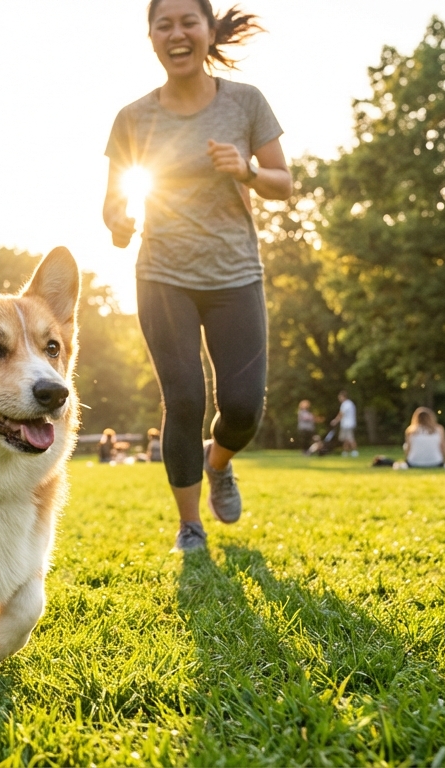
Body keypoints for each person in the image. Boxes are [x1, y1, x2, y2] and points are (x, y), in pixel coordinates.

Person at [103, 0, 291, 553]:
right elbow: (112, 205)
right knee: (184, 399)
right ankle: (190, 525)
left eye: (188, 21)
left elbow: (284, 183)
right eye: (163, 24)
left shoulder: (246, 102)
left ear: (209, 31)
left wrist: (247, 171)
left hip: (235, 274)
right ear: (151, 38)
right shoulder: (133, 118)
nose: (176, 33)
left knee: (244, 407)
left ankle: (219, 462)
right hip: (163, 275)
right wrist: (118, 223)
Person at [330, 391, 358, 457]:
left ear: (343, 397)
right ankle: (345, 452)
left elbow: (341, 414)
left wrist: (335, 421)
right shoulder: (350, 403)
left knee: (350, 438)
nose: (339, 399)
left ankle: (354, 451)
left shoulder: (345, 404)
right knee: (346, 439)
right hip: (349, 423)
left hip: (347, 424)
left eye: (340, 397)